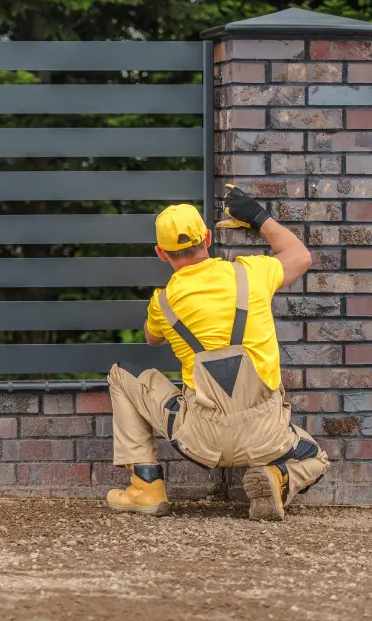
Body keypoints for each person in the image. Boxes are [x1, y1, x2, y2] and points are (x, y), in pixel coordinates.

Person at [106, 185, 330, 520]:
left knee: (121, 374)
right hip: (266, 438)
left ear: (160, 252)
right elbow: (301, 257)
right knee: (315, 458)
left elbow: (152, 339)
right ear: (208, 239)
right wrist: (257, 216)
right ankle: (279, 475)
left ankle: (146, 486)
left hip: (201, 439)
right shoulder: (251, 273)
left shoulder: (163, 302)